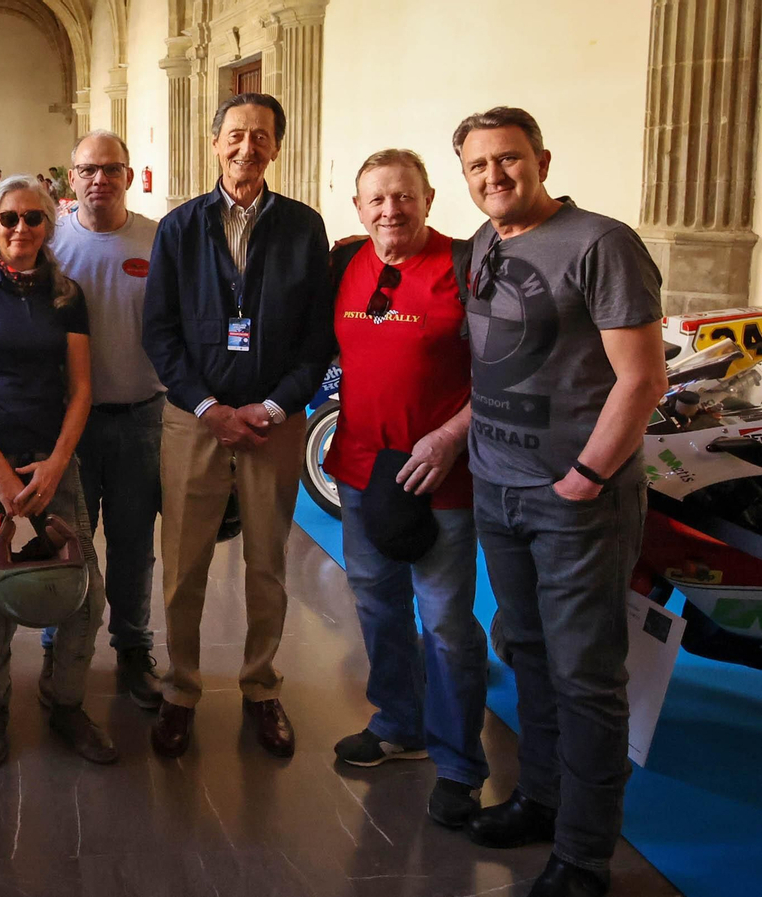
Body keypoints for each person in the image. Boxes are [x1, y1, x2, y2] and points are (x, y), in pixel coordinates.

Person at [453, 107, 666, 897]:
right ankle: (540, 798)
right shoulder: (483, 244)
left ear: (541, 158)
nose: (493, 178)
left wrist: (586, 475)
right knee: (528, 651)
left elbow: (644, 378)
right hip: (497, 487)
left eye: (507, 161)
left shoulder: (600, 243)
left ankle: (583, 851)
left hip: (575, 499)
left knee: (585, 674)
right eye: (477, 167)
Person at [141, 92, 332, 759]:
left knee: (267, 563)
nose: (247, 147)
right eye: (235, 135)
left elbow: (317, 336)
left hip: (274, 423)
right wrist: (207, 407)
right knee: (184, 564)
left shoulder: (305, 228)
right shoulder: (179, 227)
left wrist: (276, 406)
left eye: (261, 137)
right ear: (214, 141)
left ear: (276, 147)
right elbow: (159, 331)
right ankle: (181, 687)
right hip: (194, 421)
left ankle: (260, 685)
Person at [324, 148, 488, 828]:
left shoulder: (466, 268)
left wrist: (451, 436)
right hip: (363, 469)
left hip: (440, 474)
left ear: (428, 198)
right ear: (359, 209)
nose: (391, 209)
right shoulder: (346, 262)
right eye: (377, 199)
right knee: (377, 604)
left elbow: (504, 372)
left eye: (404, 196)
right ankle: (398, 721)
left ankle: (458, 764)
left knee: (446, 622)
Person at [0, 174, 118, 768]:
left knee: (84, 595)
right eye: (9, 218)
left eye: (34, 218)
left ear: (49, 225)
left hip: (50, 460)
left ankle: (63, 701)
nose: (21, 229)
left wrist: (57, 463)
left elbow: (82, 385)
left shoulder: (66, 293)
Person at [36, 130, 165, 710]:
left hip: (141, 416)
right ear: (71, 176)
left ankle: (133, 646)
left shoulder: (157, 240)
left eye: (112, 169)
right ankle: (56, 644)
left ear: (130, 176)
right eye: (88, 169)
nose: (99, 180)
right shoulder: (50, 244)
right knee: (65, 542)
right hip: (69, 426)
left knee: (135, 542)